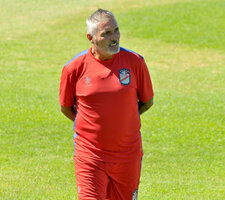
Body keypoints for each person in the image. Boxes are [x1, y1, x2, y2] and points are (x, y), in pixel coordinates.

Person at [59, 8, 154, 200]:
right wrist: (92, 127)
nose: (115, 37)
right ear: (91, 38)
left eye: (116, 30)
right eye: (107, 33)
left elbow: (147, 101)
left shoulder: (135, 62)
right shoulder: (74, 68)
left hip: (128, 154)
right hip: (90, 154)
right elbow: (66, 107)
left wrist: (123, 122)